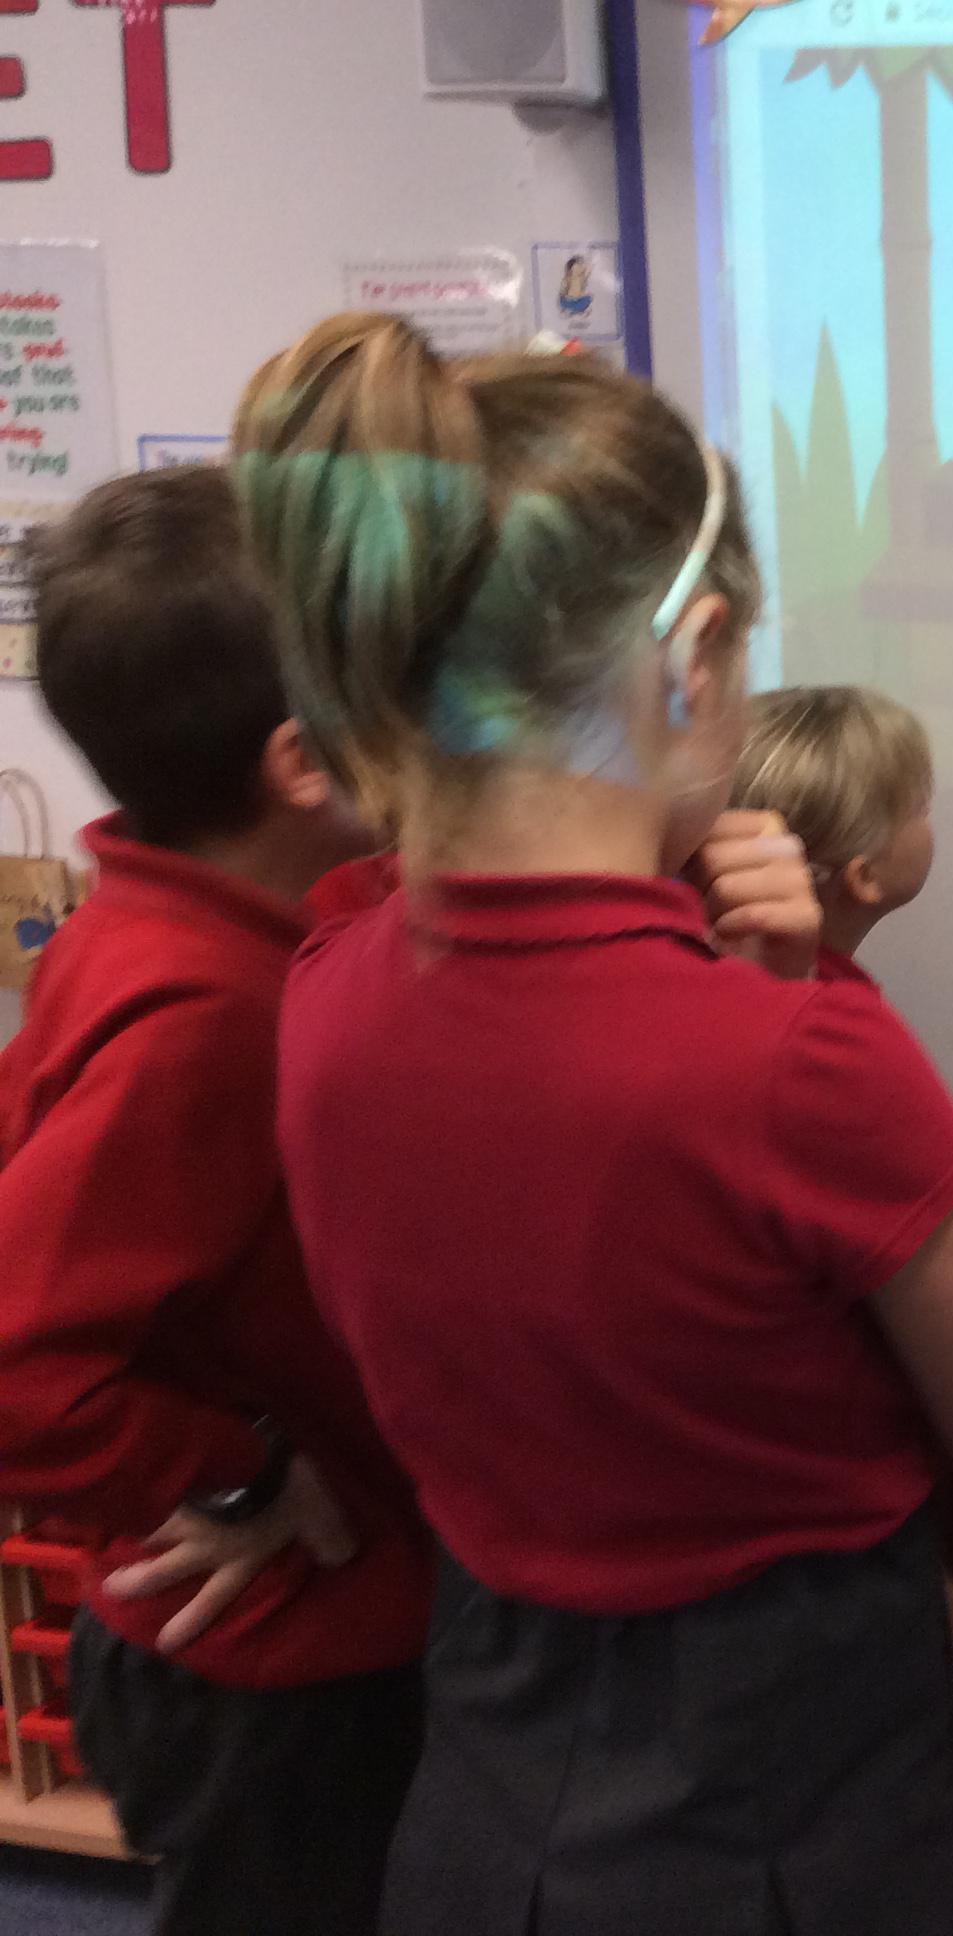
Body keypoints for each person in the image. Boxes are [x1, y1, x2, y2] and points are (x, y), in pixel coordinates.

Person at [229, 312, 953, 1936]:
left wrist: (735, 992)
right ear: (693, 655)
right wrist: (785, 1011)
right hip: (794, 1801)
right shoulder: (806, 1058)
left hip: (494, 1770)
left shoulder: (323, 993)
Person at [0, 465, 432, 1936]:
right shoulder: (202, 1017)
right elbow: (21, 1360)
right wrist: (242, 1470)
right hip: (278, 1671)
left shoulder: (167, 917)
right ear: (303, 761)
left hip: (289, 1645)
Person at [731, 684, 935, 981]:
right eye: (921, 808)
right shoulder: (838, 1008)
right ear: (866, 876)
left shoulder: (726, 978)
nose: (929, 815)